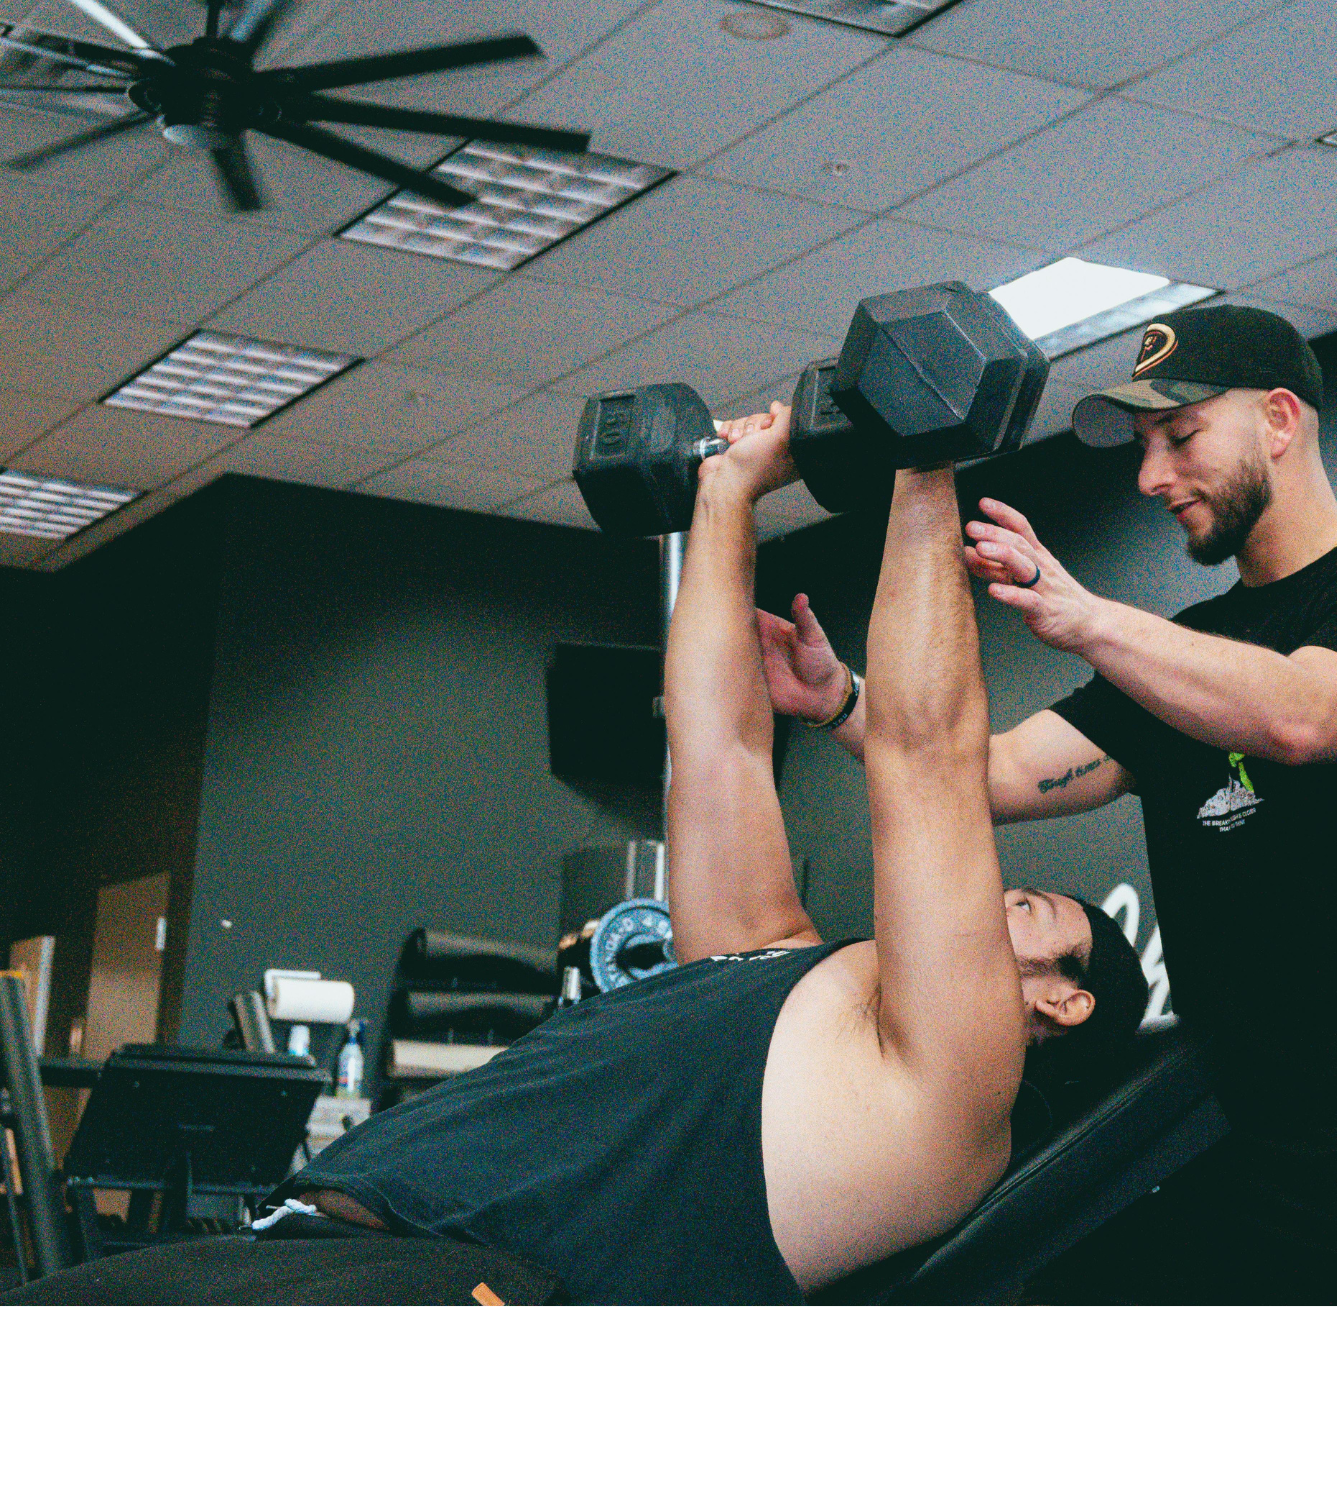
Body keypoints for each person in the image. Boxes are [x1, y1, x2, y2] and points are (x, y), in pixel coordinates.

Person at [3, 404, 1147, 1308]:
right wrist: (725, 494)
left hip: (455, 1295)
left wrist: (922, 458)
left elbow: (925, 755)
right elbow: (714, 750)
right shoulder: (777, 959)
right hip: (305, 1241)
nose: (993, 889)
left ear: (1064, 999)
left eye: (1031, 906)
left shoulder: (949, 1098)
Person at [758, 304, 1337, 1304]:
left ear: (1279, 419)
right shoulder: (1182, 647)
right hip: (1219, 1133)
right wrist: (840, 702)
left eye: (1180, 436)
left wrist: (1086, 618)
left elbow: (1302, 716)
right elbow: (990, 777)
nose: (1151, 476)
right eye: (1145, 445)